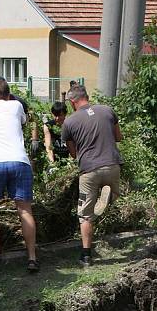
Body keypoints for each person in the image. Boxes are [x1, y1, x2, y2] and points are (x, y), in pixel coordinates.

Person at [0, 77, 39, 273]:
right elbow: (24, 122)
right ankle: (31, 257)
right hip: (20, 162)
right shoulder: (16, 106)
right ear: (8, 94)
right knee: (25, 209)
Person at [62, 84, 122, 266]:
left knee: (85, 215)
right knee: (113, 193)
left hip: (89, 171)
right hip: (113, 165)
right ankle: (109, 194)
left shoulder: (69, 122)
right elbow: (118, 137)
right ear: (87, 96)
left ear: (73, 102)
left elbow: (73, 154)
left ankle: (86, 255)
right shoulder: (108, 111)